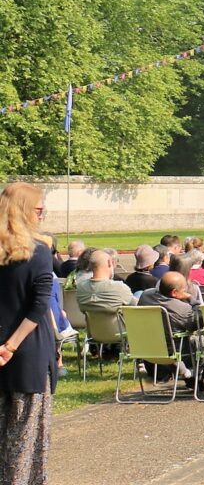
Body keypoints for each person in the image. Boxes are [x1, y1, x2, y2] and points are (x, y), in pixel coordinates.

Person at [0, 183, 57, 484]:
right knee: (25, 439)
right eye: (38, 210)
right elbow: (38, 306)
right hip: (26, 349)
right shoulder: (38, 251)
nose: (42, 215)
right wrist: (10, 346)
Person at [78, 250, 133, 319]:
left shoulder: (81, 288)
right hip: (120, 325)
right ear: (110, 263)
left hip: (93, 325)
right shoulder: (120, 288)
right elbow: (138, 306)